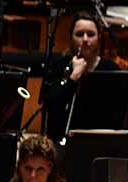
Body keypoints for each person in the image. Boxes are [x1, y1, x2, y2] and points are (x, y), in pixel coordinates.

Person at [41, 10, 122, 143]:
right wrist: (73, 77)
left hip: (101, 141)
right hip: (65, 140)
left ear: (99, 37)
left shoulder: (111, 69)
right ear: (71, 37)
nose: (85, 39)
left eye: (91, 34)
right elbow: (52, 106)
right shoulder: (59, 66)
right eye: (79, 34)